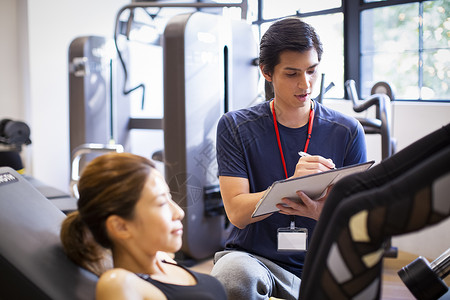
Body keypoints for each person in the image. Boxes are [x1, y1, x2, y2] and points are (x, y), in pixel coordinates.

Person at [211, 17, 367, 300]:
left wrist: (322, 212)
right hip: (255, 259)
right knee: (232, 276)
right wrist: (291, 186)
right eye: (292, 73)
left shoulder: (347, 131)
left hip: (323, 262)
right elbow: (236, 211)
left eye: (312, 70)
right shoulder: (235, 126)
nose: (305, 84)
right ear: (267, 72)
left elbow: (359, 221)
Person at [60, 152, 226, 300]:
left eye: (169, 197)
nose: (179, 212)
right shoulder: (119, 283)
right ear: (120, 227)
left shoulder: (161, 259)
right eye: (161, 203)